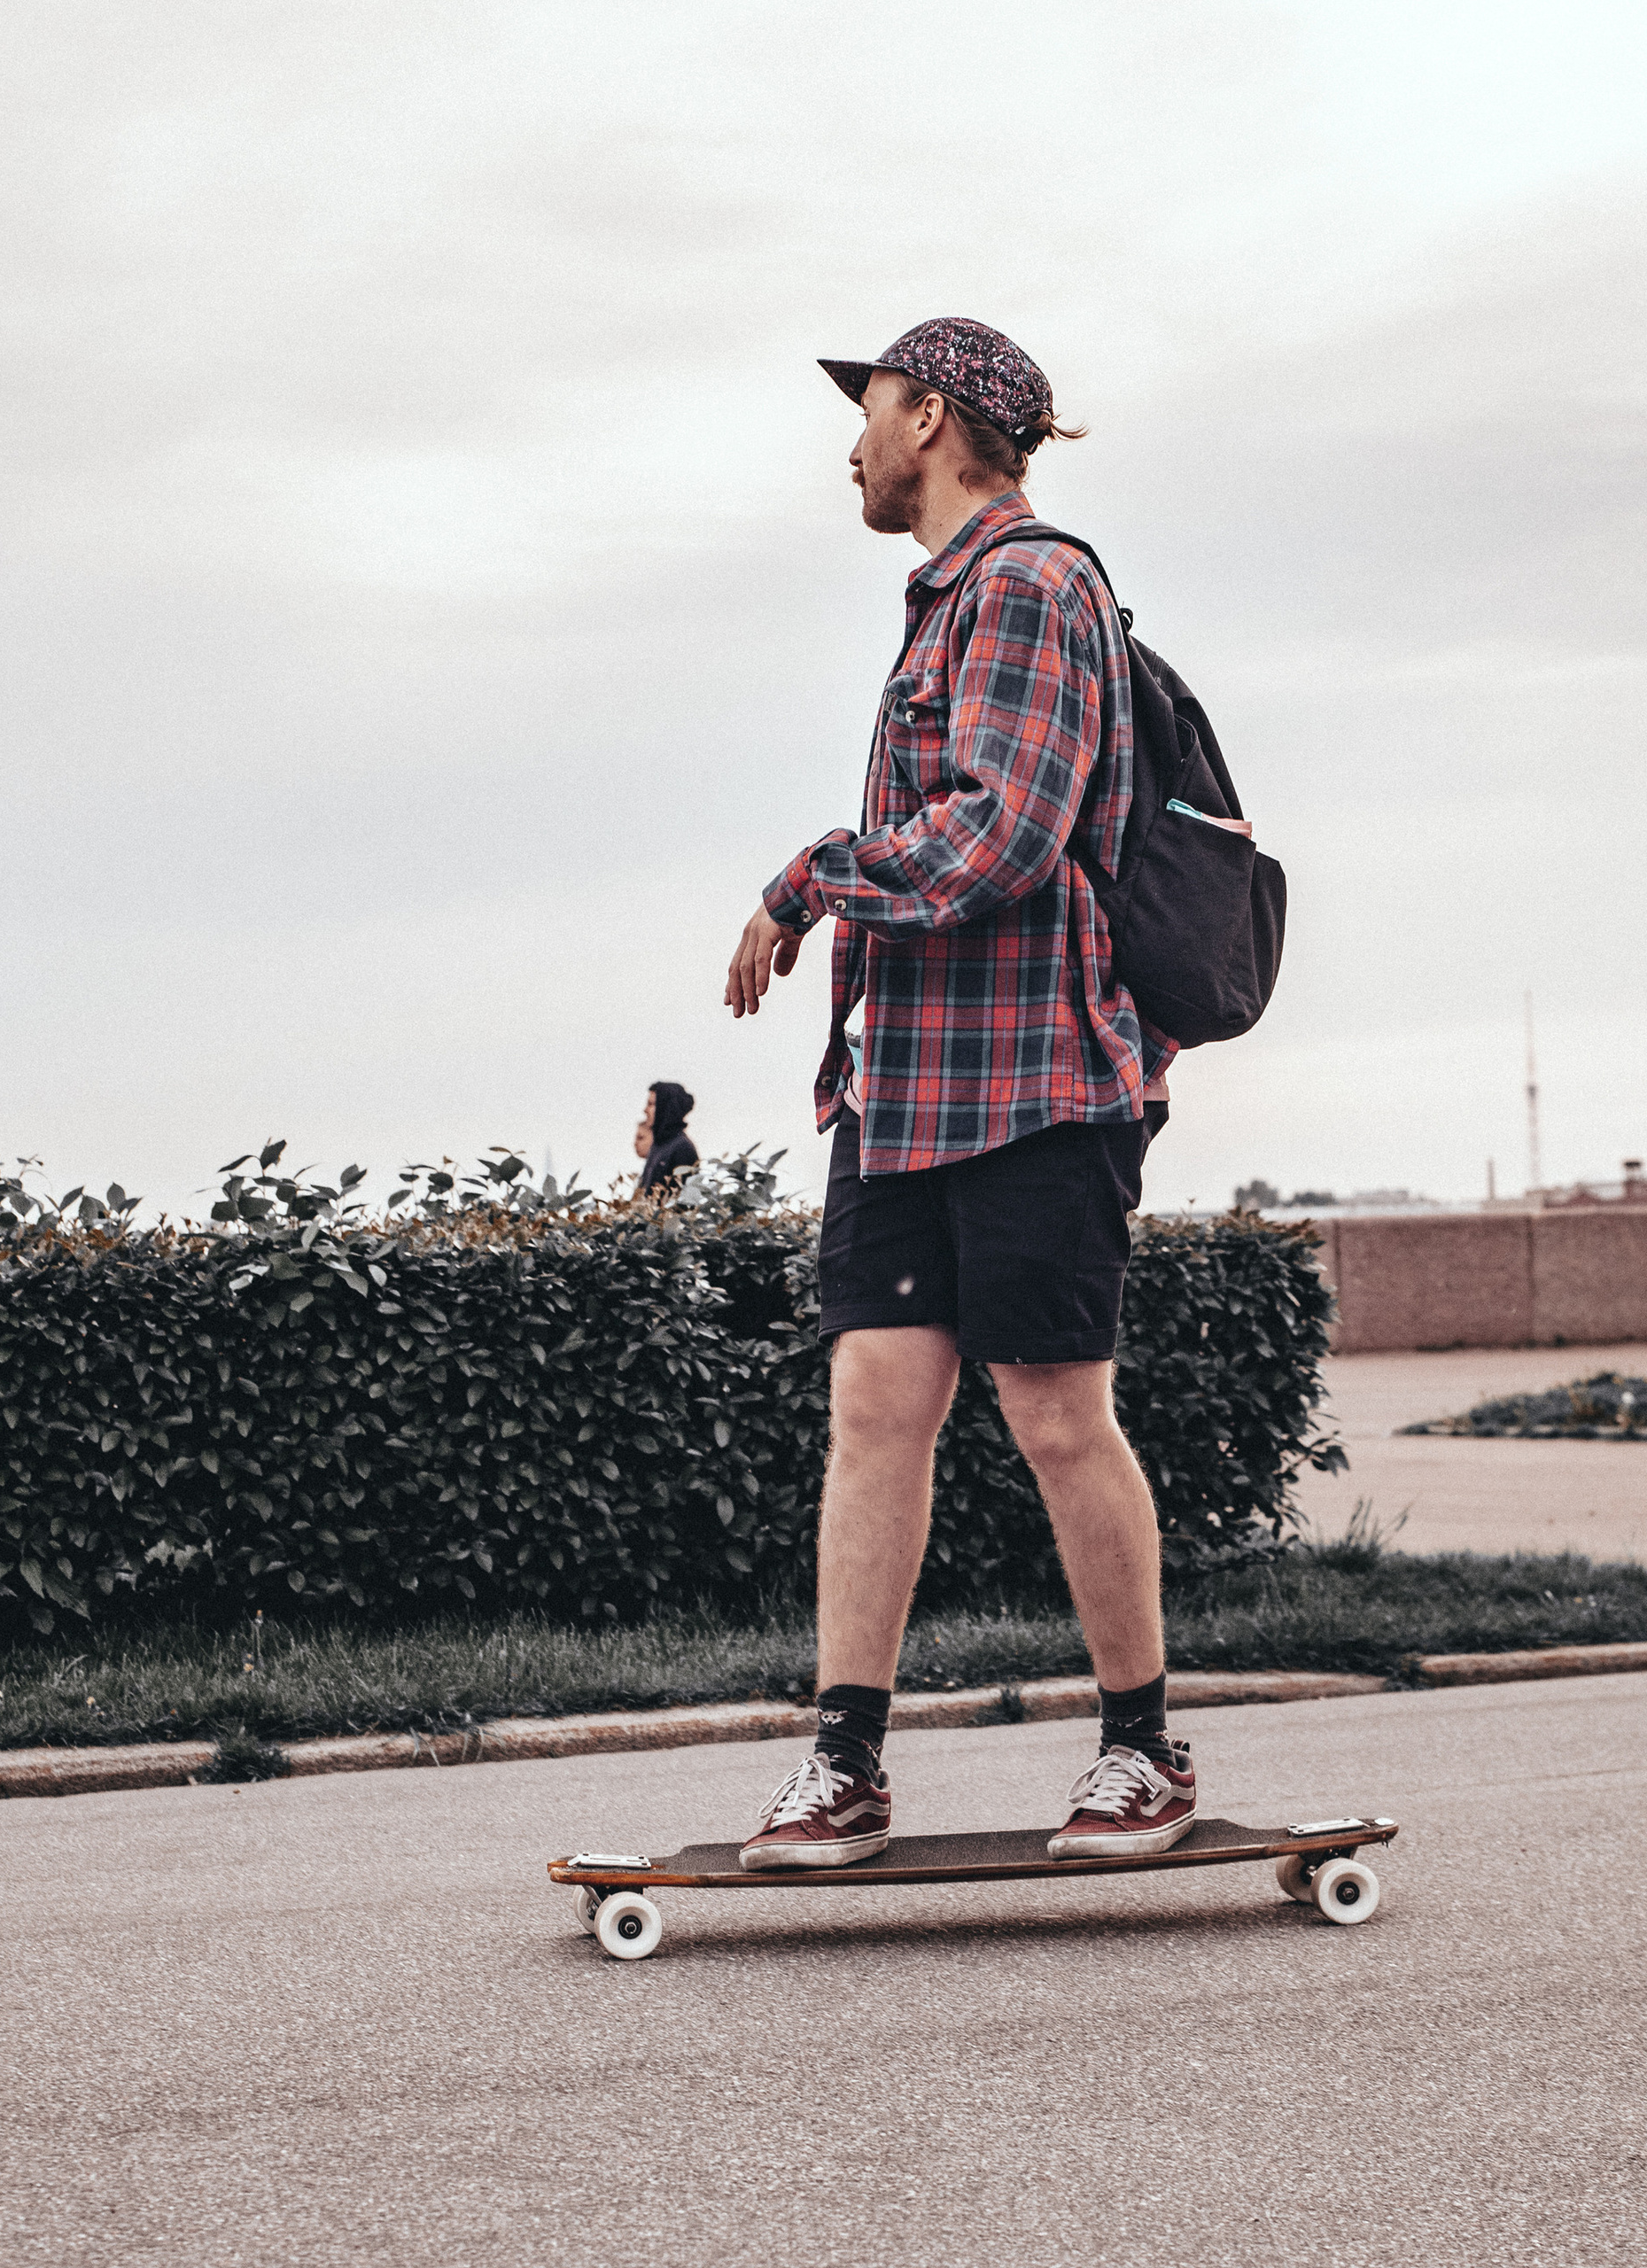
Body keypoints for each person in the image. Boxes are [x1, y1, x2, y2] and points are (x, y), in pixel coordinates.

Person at [722, 317, 1184, 1871]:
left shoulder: (1034, 586)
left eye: (866, 414)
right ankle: (844, 1764)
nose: (849, 444)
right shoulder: (940, 610)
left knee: (1056, 1413)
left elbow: (1002, 840)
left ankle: (1142, 1751)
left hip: (1040, 1084)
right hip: (910, 1092)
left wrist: (810, 881)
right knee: (876, 1411)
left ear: (925, 417)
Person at [633, 1082, 699, 1196]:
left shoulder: (683, 1148)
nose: (645, 1110)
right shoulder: (658, 1145)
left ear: (665, 1108)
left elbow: (684, 1203)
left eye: (651, 1104)